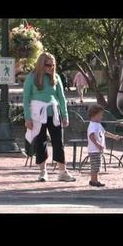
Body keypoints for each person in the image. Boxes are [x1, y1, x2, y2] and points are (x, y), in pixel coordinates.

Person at [23, 52, 76, 182]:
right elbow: (26, 99)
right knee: (40, 143)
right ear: (41, 64)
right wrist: (27, 118)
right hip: (37, 114)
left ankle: (62, 172)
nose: (50, 67)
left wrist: (65, 115)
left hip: (54, 113)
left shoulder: (56, 77)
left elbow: (62, 98)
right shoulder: (31, 78)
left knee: (59, 142)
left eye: (52, 65)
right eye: (47, 65)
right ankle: (42, 172)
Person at [87, 105, 123, 187]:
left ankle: (95, 180)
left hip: (98, 150)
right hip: (94, 150)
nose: (101, 117)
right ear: (94, 115)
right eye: (100, 115)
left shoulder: (98, 124)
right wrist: (98, 145)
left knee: (97, 165)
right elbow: (91, 136)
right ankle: (94, 181)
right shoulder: (92, 125)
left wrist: (115, 137)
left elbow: (105, 133)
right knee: (95, 166)